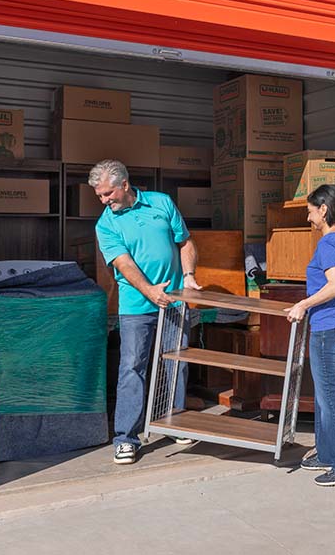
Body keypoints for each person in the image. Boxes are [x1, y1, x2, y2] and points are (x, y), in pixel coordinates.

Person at [91, 159, 202, 465]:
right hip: (137, 305)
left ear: (124, 185)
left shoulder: (161, 203)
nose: (104, 201)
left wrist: (189, 276)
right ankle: (126, 437)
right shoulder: (106, 223)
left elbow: (185, 242)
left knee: (176, 362)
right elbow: (124, 265)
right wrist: (151, 292)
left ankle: (175, 422)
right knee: (132, 367)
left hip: (176, 300)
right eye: (99, 195)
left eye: (108, 193)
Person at [285, 184, 335, 487]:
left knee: (329, 398)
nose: (308, 217)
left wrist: (303, 304)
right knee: (323, 396)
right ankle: (328, 453)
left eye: (310, 211)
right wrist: (334, 300)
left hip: (330, 329)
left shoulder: (328, 244)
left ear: (323, 210)